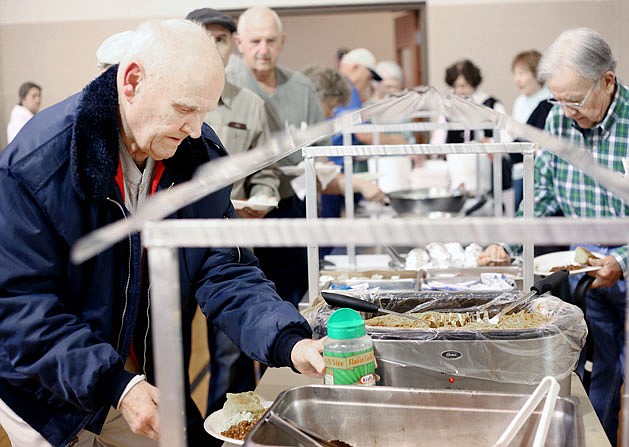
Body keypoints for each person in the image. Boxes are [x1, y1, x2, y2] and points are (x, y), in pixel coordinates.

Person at [0, 19, 325, 447]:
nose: (194, 129)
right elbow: (22, 306)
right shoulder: (39, 165)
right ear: (132, 81)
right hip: (48, 393)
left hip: (136, 376)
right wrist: (118, 385)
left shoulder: (193, 156)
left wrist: (290, 342)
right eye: (185, 109)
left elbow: (224, 270)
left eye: (204, 112)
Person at [481, 27, 629, 447]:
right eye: (558, 99)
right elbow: (542, 196)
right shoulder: (558, 121)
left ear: (607, 79)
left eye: (576, 99)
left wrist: (621, 258)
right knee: (595, 379)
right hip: (587, 270)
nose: (567, 112)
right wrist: (508, 244)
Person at [185, 7, 280, 418]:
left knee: (231, 352)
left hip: (228, 241)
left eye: (222, 38)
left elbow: (266, 171)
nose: (215, 46)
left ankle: (230, 430)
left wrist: (261, 198)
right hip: (171, 246)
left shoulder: (251, 105)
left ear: (232, 45)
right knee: (166, 355)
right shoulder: (176, 100)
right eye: (206, 37)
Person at [227, 5, 324, 306]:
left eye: (271, 41)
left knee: (291, 297)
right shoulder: (226, 86)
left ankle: (288, 352)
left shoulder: (300, 87)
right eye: (255, 41)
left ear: (282, 41)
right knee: (242, 301)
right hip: (237, 212)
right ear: (239, 42)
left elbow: (319, 146)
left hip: (289, 205)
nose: (263, 50)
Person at [430, 59, 512, 211]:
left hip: (488, 177)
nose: (459, 91)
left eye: (463, 86)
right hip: (458, 176)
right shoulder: (448, 109)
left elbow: (507, 138)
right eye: (455, 86)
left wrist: (491, 142)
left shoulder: (492, 105)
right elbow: (436, 143)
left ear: (473, 83)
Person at [302, 65, 386, 207]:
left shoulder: (317, 131)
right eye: (330, 107)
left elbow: (321, 179)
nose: (330, 114)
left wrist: (361, 185)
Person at [510, 50, 552, 209]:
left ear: (537, 73)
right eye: (514, 74)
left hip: (539, 173)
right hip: (520, 170)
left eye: (522, 73)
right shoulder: (519, 102)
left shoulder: (549, 101)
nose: (516, 80)